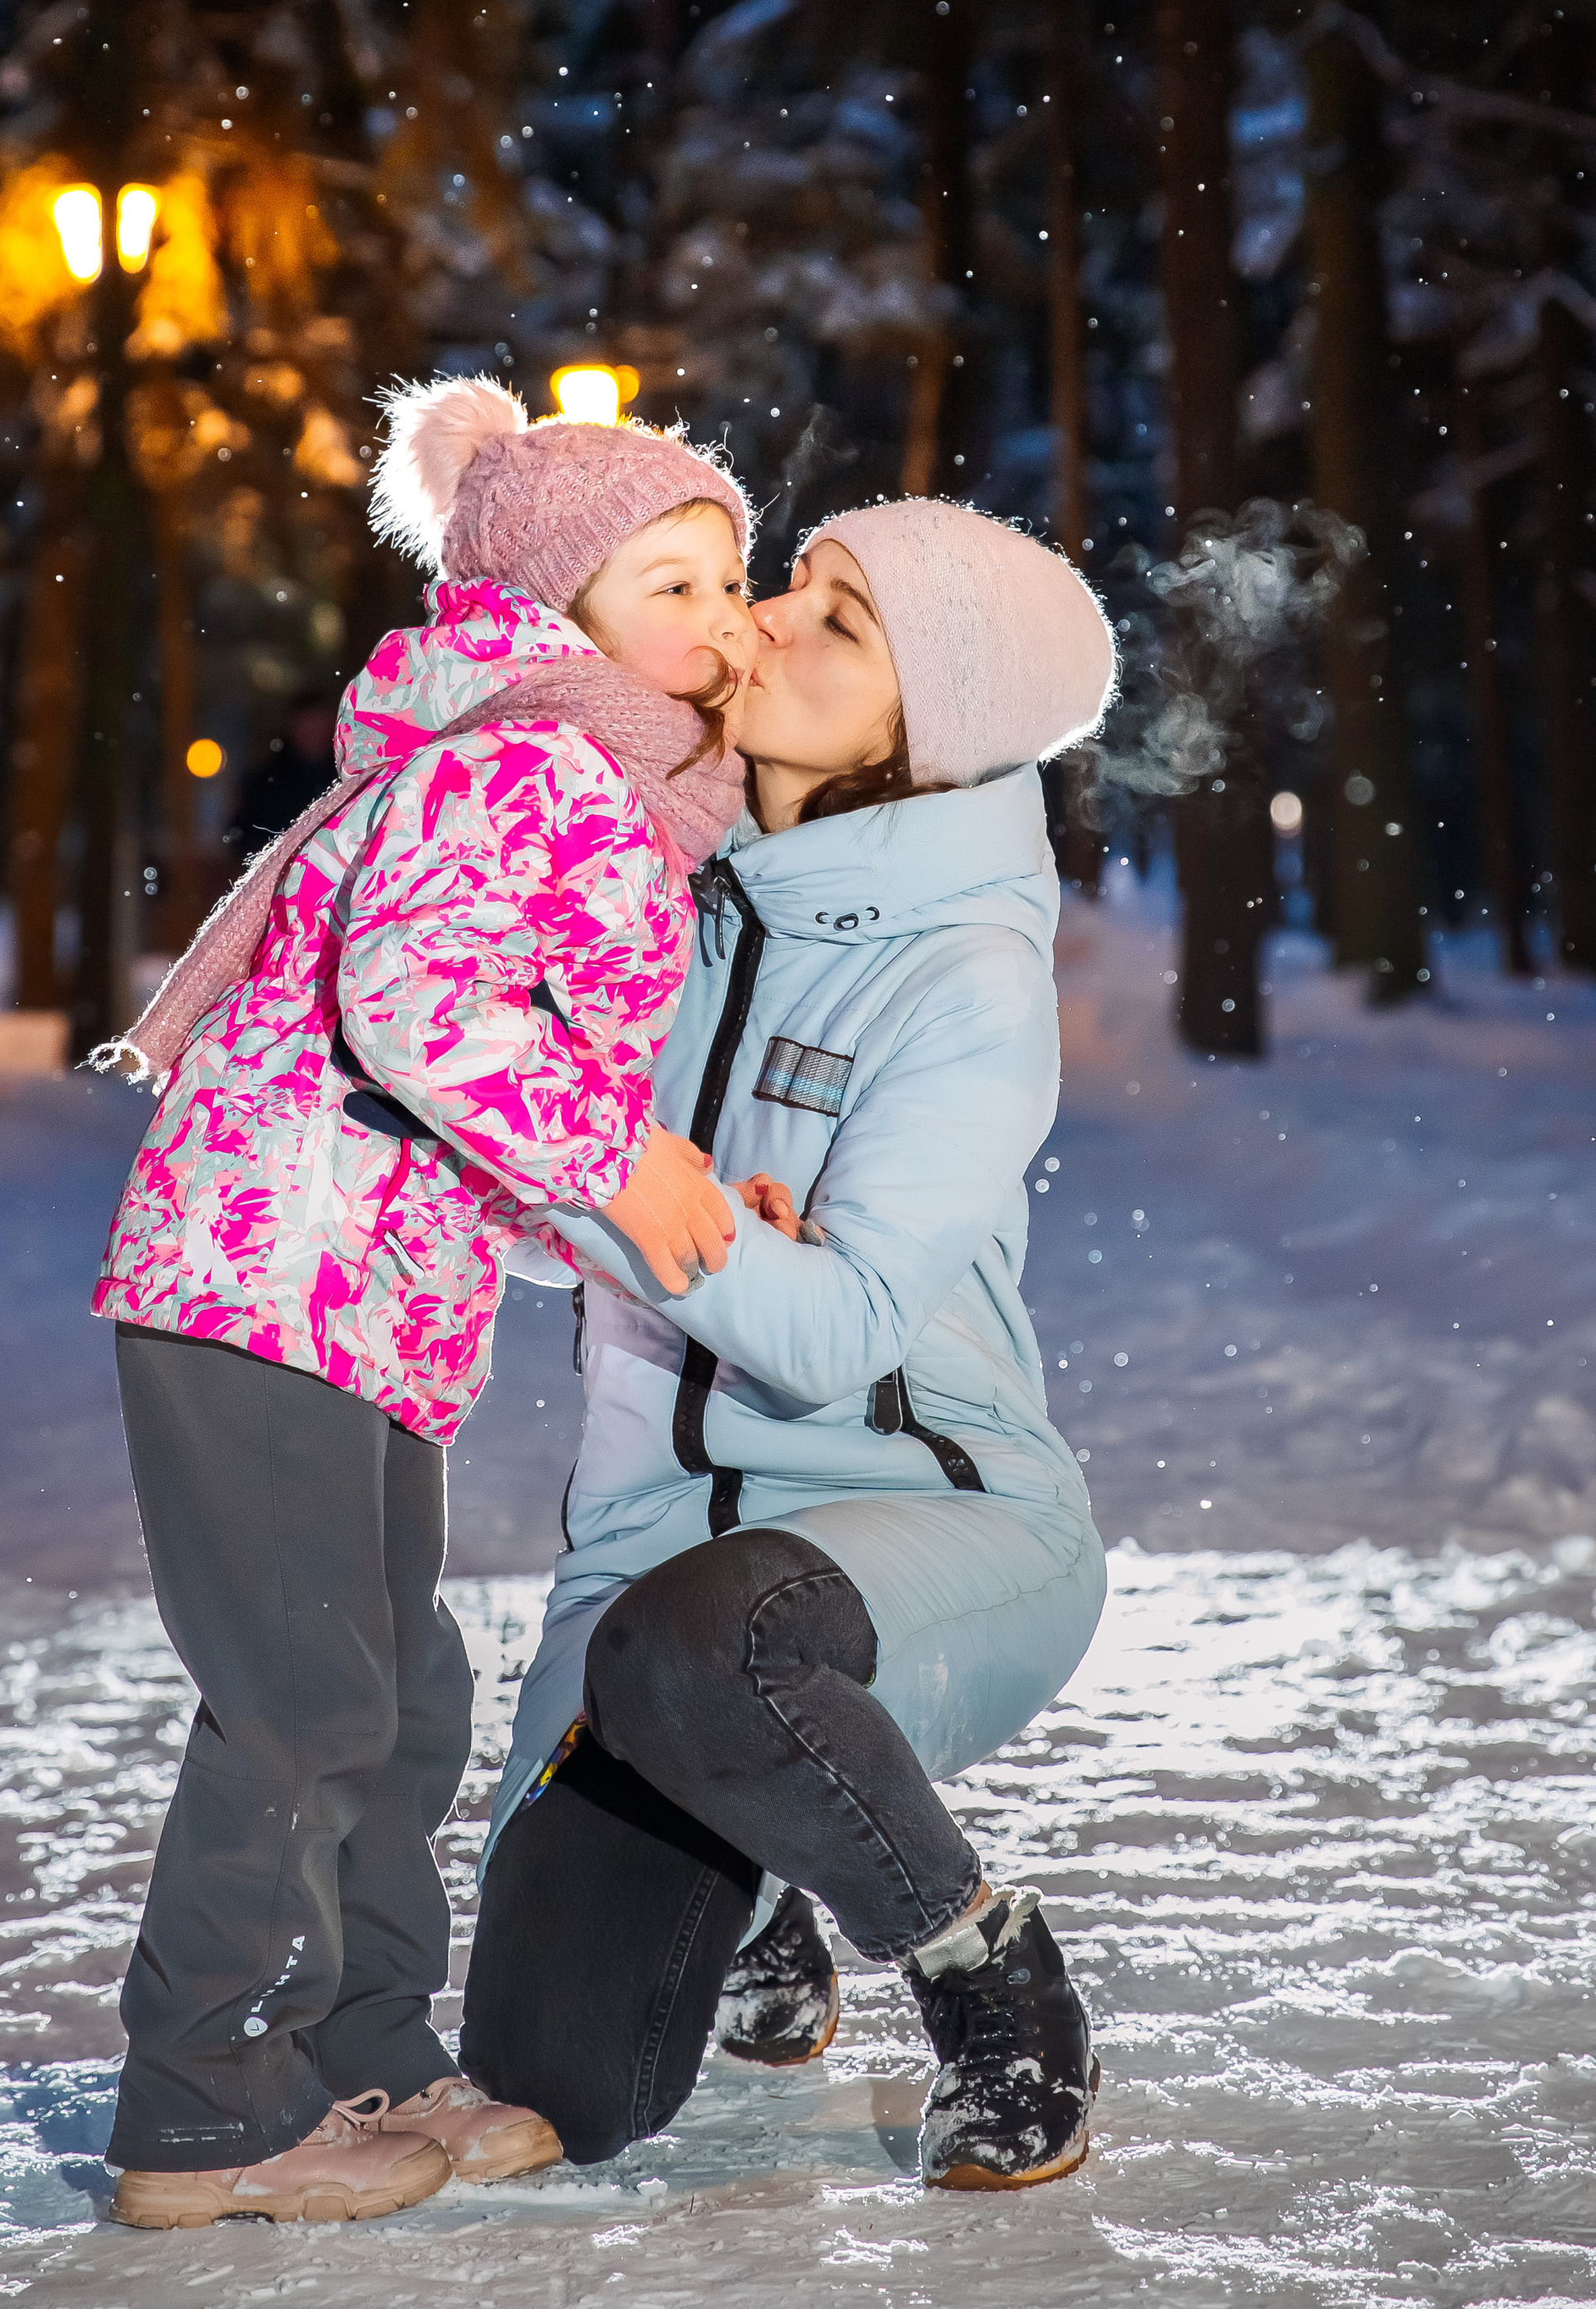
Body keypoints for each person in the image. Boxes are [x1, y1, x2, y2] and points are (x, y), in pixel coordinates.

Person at [89, 375, 757, 2229]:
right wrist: (618, 1158)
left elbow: (484, 1115)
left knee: (391, 1705)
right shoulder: (525, 760)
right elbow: (413, 1008)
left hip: (358, 1299)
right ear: (556, 607)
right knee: (301, 1701)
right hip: (266, 1280)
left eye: (733, 578)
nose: (726, 620)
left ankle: (358, 2054)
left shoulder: (597, 779)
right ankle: (199, 2115)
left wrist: (654, 1194)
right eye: (676, 583)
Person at [462, 498, 1118, 2191]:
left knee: (706, 1653)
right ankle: (752, 1883)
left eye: (840, 620)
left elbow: (825, 1333)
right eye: (788, 583)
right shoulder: (645, 899)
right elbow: (552, 1241)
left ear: (928, 728)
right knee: (551, 2079)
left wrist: (630, 1178)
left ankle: (981, 1970)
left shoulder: (961, 978)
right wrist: (609, 1181)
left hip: (929, 1528)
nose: (764, 619)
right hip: (637, 1562)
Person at [223, 688, 338, 864]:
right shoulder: (267, 783)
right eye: (305, 723)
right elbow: (243, 839)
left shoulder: (346, 775)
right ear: (291, 727)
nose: (312, 731)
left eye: (317, 722)